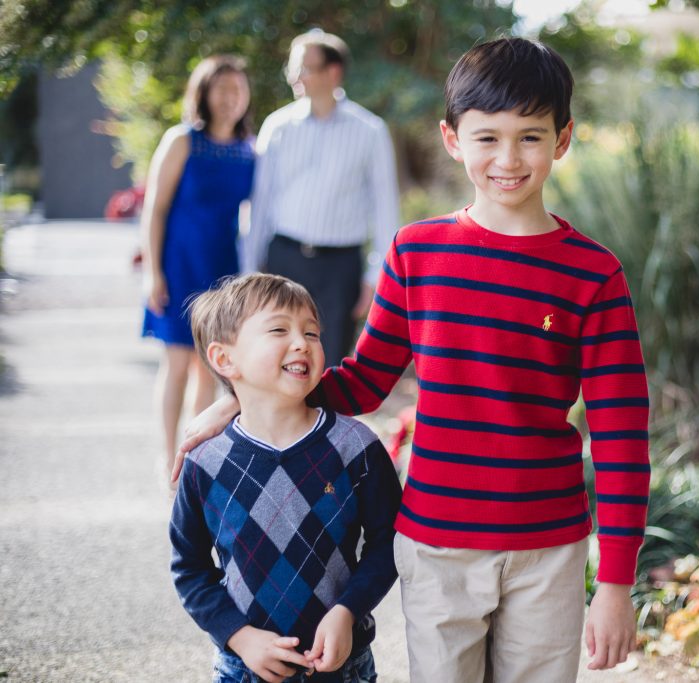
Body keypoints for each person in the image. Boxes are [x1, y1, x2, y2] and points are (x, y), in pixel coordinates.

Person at [177, 37, 650, 682]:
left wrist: (616, 584)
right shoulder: (416, 253)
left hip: (549, 546)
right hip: (435, 543)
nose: (508, 159)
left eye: (530, 138)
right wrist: (239, 401)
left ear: (563, 139)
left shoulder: (592, 275)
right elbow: (364, 382)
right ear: (453, 139)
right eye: (487, 138)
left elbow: (622, 434)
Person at [170, 273, 402, 683]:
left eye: (312, 332)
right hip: (245, 668)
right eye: (279, 329)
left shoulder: (356, 448)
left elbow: (388, 545)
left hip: (344, 665)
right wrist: (238, 636)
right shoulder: (206, 463)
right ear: (224, 360)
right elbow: (190, 568)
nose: (303, 342)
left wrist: (348, 612)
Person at [245, 29, 400, 366]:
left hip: (340, 268)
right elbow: (260, 204)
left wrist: (375, 279)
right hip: (283, 260)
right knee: (275, 360)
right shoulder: (277, 126)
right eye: (292, 68)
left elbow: (385, 209)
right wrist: (249, 270)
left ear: (333, 72)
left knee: (327, 364)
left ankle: (323, 421)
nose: (294, 76)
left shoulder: (370, 131)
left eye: (304, 68)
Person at [140, 55, 256, 479]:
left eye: (238, 89)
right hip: (178, 263)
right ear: (204, 93)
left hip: (223, 270)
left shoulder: (249, 149)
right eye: (222, 89)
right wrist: (153, 271)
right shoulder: (182, 140)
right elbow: (155, 208)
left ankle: (194, 462)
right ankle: (167, 455)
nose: (231, 98)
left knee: (210, 368)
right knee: (175, 365)